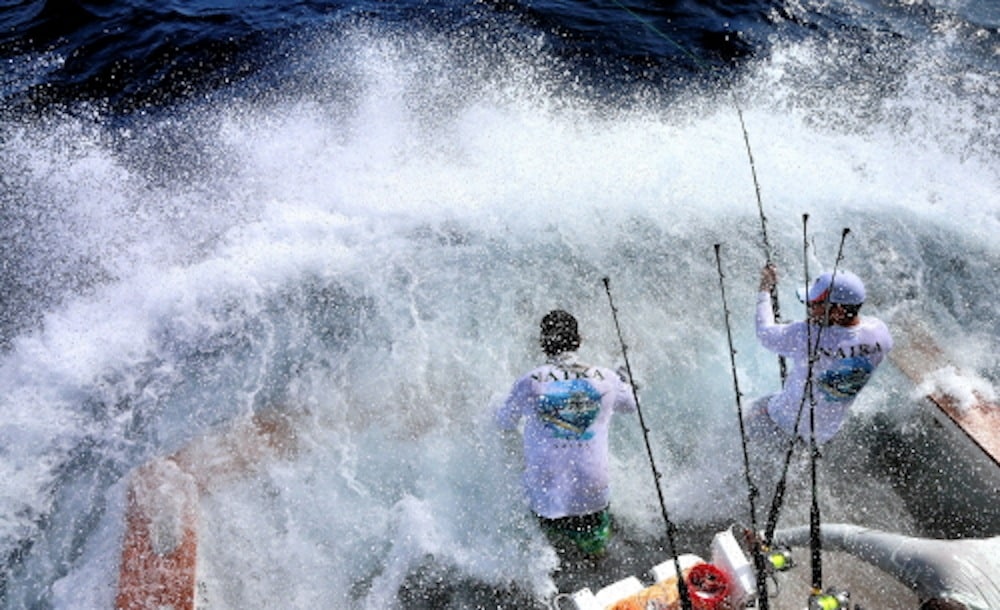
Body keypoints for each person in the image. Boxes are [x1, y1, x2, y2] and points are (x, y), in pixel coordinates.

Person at [495, 309, 637, 558]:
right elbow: (632, 405)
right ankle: (596, 560)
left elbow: (504, 422)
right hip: (594, 497)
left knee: (553, 550)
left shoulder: (530, 381)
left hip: (548, 501)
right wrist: (625, 380)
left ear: (543, 343)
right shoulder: (606, 377)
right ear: (578, 340)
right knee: (595, 547)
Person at [745, 265, 893, 448]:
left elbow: (765, 333)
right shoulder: (881, 335)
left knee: (744, 414)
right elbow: (846, 340)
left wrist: (765, 288)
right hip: (825, 432)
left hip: (782, 421)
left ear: (838, 311)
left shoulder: (807, 336)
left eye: (814, 304)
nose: (809, 308)